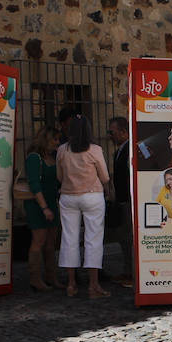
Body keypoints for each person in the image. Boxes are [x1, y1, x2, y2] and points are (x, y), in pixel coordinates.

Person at [57, 114, 111, 299]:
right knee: (93, 239)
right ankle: (93, 285)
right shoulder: (95, 150)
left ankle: (71, 284)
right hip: (92, 196)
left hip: (68, 197)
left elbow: (59, 176)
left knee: (69, 239)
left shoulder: (62, 150)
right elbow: (104, 177)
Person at [22, 125, 61, 291]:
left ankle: (51, 277)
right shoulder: (34, 158)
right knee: (39, 240)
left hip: (52, 202)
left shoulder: (53, 158)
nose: (57, 143)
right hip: (38, 205)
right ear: (46, 140)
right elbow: (34, 184)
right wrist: (44, 207)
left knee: (51, 242)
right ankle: (35, 278)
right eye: (55, 139)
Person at [107, 116, 133, 287]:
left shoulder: (131, 150)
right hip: (122, 200)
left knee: (129, 239)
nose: (110, 136)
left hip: (129, 201)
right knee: (123, 239)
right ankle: (127, 270)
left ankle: (131, 273)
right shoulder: (118, 151)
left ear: (123, 132)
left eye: (112, 132)